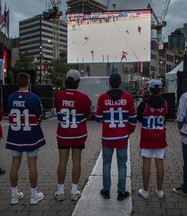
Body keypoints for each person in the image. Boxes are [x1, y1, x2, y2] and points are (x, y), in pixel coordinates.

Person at [95, 73, 137, 201]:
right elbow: (133, 120)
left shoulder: (102, 98)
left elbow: (98, 118)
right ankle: (121, 191)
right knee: (122, 165)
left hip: (107, 137)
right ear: (120, 83)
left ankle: (106, 190)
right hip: (122, 137)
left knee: (106, 163)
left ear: (109, 83)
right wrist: (127, 131)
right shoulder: (128, 98)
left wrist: (106, 123)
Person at [6, 72, 46, 205]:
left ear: (17, 82)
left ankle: (13, 195)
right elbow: (40, 116)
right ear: (28, 82)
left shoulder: (11, 97)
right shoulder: (34, 98)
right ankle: (34, 195)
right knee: (32, 164)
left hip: (15, 135)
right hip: (31, 135)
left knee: (15, 164)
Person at [54, 69, 92, 201]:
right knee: (76, 162)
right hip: (78, 135)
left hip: (63, 134)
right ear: (78, 82)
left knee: (62, 162)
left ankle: (60, 191)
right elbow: (88, 114)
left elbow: (58, 110)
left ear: (66, 81)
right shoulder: (83, 97)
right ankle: (74, 191)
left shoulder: (59, 95)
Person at [136, 79, 168, 199]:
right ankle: (159, 191)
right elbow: (166, 116)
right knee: (160, 163)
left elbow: (139, 118)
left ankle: (145, 191)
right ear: (161, 90)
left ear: (149, 89)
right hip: (160, 138)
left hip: (147, 138)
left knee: (146, 164)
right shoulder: (165, 103)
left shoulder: (144, 104)